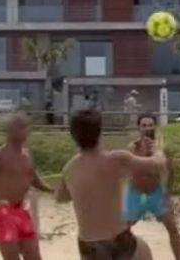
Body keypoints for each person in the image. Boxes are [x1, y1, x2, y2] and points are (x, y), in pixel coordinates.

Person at [55, 109, 167, 260]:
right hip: (118, 240)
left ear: (73, 135)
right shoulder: (116, 159)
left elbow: (60, 197)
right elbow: (158, 164)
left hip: (89, 245)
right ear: (100, 132)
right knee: (144, 250)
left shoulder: (70, 168)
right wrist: (157, 148)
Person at [0, 113, 53, 260]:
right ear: (9, 130)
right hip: (3, 212)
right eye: (20, 127)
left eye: (25, 127)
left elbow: (35, 181)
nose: (24, 131)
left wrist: (53, 190)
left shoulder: (26, 156)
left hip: (21, 210)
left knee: (34, 255)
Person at [123, 114, 180, 260]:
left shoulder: (161, 148)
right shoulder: (133, 147)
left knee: (173, 229)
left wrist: (167, 194)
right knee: (122, 231)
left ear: (155, 127)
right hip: (135, 192)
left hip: (156, 192)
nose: (147, 128)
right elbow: (127, 171)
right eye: (144, 125)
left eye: (150, 125)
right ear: (139, 128)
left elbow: (171, 170)